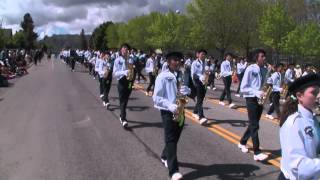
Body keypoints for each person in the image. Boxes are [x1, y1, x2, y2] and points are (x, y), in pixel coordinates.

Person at [153, 51, 190, 180]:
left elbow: (182, 92)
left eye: (179, 60)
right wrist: (170, 106)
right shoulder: (162, 76)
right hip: (167, 111)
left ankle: (164, 156)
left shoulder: (181, 75)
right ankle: (173, 171)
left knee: (175, 137)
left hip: (180, 110)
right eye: (174, 60)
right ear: (168, 61)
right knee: (170, 139)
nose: (177, 62)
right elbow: (156, 98)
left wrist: (187, 90)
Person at [278, 73, 320, 180]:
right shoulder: (294, 123)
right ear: (299, 96)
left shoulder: (313, 119)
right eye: (314, 93)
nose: (319, 96)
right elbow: (299, 167)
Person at [238, 49, 269, 161]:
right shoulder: (250, 69)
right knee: (255, 125)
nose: (264, 58)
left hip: (260, 99)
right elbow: (243, 87)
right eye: (262, 56)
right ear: (257, 58)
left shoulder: (265, 70)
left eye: (265, 56)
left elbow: (264, 84)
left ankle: (242, 142)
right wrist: (257, 92)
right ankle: (257, 151)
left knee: (253, 123)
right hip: (251, 98)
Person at [113, 43, 133, 128]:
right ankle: (123, 118)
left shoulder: (131, 59)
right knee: (122, 100)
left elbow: (132, 69)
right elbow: (115, 73)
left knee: (126, 100)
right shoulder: (117, 60)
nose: (125, 50)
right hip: (121, 81)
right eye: (124, 48)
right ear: (121, 50)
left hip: (129, 83)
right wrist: (124, 72)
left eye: (127, 48)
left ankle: (122, 115)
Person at [191, 49, 209, 125]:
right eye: (202, 54)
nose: (203, 56)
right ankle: (201, 116)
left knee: (201, 98)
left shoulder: (206, 63)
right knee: (199, 98)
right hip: (197, 81)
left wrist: (208, 73)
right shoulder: (195, 63)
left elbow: (207, 72)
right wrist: (200, 77)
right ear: (198, 54)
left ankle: (195, 111)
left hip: (204, 82)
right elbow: (194, 74)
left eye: (204, 54)